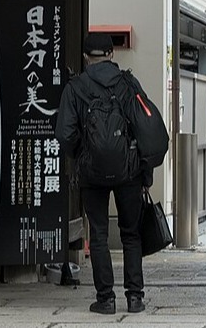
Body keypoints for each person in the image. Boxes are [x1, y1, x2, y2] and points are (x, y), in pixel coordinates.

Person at [55, 32, 154, 315]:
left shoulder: (75, 88)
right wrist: (144, 170)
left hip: (92, 173)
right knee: (131, 234)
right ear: (111, 54)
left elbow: (65, 134)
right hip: (129, 171)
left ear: (86, 57)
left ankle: (106, 299)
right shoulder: (128, 83)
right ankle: (135, 298)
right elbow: (144, 127)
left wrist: (83, 154)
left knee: (98, 234)